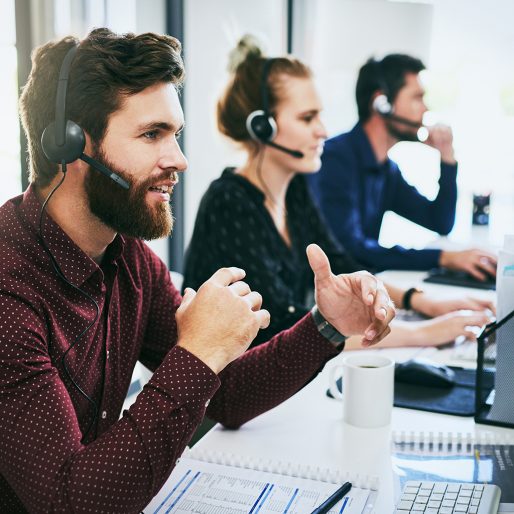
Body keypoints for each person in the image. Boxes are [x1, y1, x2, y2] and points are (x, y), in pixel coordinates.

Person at [0, 29, 396, 513]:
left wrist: (326, 326)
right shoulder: (8, 290)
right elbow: (72, 502)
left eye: (176, 135)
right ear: (71, 146)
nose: (180, 161)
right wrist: (199, 350)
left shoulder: (130, 260)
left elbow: (225, 395)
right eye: (152, 135)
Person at [183, 36, 492, 350]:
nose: (324, 130)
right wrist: (423, 334)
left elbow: (344, 265)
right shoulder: (230, 203)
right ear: (263, 127)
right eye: (307, 118)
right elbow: (279, 329)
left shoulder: (296, 189)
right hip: (228, 389)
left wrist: (421, 302)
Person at [308, 53, 497, 280]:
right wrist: (442, 258)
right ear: (382, 104)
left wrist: (447, 159)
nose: (425, 109)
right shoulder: (335, 160)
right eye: (417, 98)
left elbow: (440, 221)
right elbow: (350, 248)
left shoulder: (386, 170)